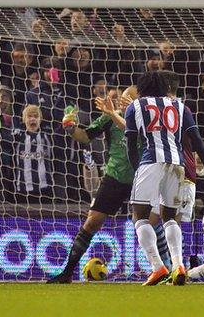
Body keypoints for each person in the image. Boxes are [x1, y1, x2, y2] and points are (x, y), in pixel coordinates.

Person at [124, 71, 204, 286]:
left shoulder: (135, 106)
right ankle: (178, 265)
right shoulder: (180, 106)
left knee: (140, 217)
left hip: (150, 161)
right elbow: (197, 140)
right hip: (177, 165)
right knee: (170, 217)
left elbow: (130, 143)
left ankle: (157, 267)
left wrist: (138, 169)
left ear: (141, 88)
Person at [47, 88, 134, 284]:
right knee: (92, 221)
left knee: (151, 222)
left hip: (142, 178)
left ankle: (169, 268)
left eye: (128, 97)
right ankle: (67, 273)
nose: (122, 101)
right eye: (122, 97)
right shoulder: (110, 118)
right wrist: (70, 127)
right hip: (115, 176)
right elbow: (85, 136)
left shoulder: (148, 120)